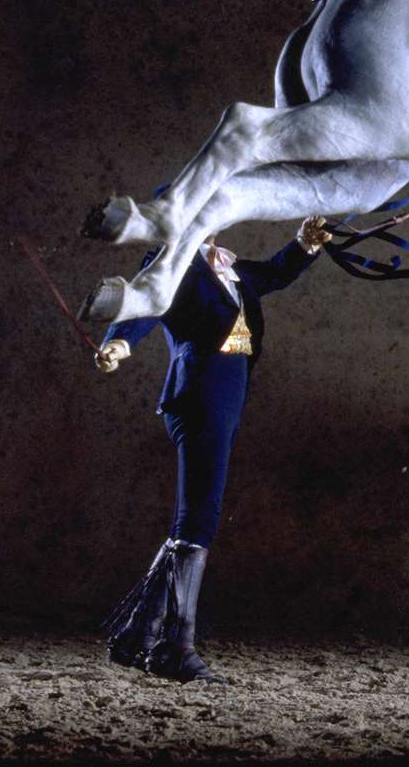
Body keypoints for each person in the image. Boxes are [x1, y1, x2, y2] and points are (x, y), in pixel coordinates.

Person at [95, 216, 331, 683]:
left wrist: (304, 244)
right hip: (200, 395)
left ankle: (138, 635)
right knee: (199, 519)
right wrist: (119, 343)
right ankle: (174, 648)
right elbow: (143, 305)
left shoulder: (229, 266)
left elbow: (273, 274)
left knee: (195, 519)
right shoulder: (168, 262)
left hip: (224, 397)